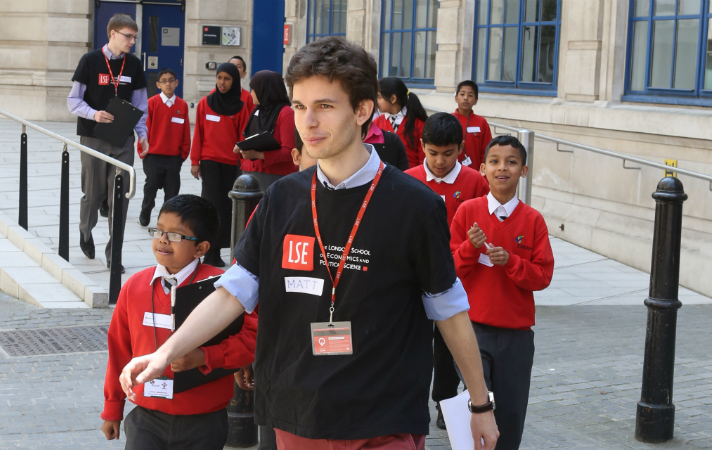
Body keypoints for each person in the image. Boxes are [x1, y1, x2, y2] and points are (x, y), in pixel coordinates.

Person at [120, 36, 499, 450]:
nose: (308, 122)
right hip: (297, 415)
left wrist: (480, 405)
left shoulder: (415, 205)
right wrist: (165, 353)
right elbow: (232, 293)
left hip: (383, 420)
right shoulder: (282, 197)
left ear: (362, 110)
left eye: (324, 106)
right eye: (299, 107)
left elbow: (449, 310)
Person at [101, 194, 257, 450]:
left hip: (204, 420)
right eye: (159, 230)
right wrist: (112, 408)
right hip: (147, 418)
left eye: (176, 235)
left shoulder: (223, 288)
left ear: (201, 248)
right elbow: (118, 349)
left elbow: (251, 339)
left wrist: (205, 356)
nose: (163, 239)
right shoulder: (134, 286)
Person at [450, 135, 554, 449]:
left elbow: (542, 276)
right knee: (477, 403)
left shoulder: (533, 220)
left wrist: (512, 262)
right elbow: (449, 269)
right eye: (494, 161)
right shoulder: (468, 212)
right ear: (482, 168)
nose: (502, 168)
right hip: (473, 329)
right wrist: (471, 247)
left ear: (523, 170)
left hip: (516, 336)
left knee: (510, 412)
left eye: (511, 161)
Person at [404, 112, 489, 429]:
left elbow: (482, 230)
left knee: (446, 350)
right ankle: (409, 402)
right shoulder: (407, 178)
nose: (440, 161)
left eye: (448, 153)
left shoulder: (475, 182)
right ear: (422, 146)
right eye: (433, 153)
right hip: (412, 283)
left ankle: (444, 402)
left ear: (461, 148)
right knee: (410, 346)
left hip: (454, 281)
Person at [67, 13, 148, 273]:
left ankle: (115, 254)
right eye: (128, 36)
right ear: (112, 33)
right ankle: (85, 232)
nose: (132, 42)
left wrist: (142, 134)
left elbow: (140, 106)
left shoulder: (134, 65)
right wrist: (94, 114)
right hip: (94, 137)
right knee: (93, 195)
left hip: (122, 140)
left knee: (120, 198)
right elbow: (73, 101)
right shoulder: (90, 61)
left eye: (134, 37)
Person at [190, 63, 250, 268]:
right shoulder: (205, 104)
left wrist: (243, 163)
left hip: (232, 164)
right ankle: (209, 252)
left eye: (227, 79)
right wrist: (194, 161)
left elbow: (243, 138)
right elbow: (198, 133)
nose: (222, 82)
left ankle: (223, 249)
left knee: (228, 208)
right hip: (209, 162)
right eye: (219, 78)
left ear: (235, 81)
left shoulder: (241, 107)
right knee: (210, 206)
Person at [136, 68, 191, 228]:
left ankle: (166, 219)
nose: (168, 83)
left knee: (172, 191)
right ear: (158, 84)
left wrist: (182, 155)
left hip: (174, 157)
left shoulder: (182, 105)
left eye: (171, 80)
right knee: (151, 186)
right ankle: (146, 210)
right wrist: (143, 152)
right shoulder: (151, 103)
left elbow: (186, 132)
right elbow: (144, 129)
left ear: (176, 83)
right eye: (164, 81)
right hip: (153, 156)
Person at [234, 70, 296, 191]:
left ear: (265, 91)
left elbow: (290, 151)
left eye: (254, 90)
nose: (251, 94)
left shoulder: (286, 113)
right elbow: (251, 137)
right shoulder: (258, 110)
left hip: (274, 175)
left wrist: (258, 155)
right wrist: (242, 147)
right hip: (249, 172)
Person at [373, 77, 428, 168]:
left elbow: (425, 160)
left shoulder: (419, 124)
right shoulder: (377, 122)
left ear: (393, 99)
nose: (376, 102)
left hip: (411, 178)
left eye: (379, 97)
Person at [453, 81, 492, 172]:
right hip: (450, 172)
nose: (465, 98)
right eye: (462, 94)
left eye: (470, 95)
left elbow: (487, 151)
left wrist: (484, 174)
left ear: (476, 100)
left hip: (474, 173)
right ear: (456, 98)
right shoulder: (448, 119)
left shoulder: (481, 122)